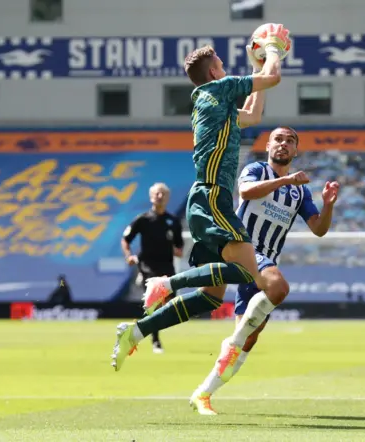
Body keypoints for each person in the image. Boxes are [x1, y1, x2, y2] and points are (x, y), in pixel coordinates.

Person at [111, 24, 292, 372]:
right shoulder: (220, 88)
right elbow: (274, 78)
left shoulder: (208, 104)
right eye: (222, 64)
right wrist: (272, 48)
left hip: (205, 197)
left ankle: (135, 331)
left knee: (211, 296)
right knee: (246, 270)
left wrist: (255, 70)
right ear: (213, 72)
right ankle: (168, 282)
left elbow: (253, 115)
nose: (226, 68)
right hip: (214, 197)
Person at [190, 126, 340, 415]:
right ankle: (230, 341)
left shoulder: (300, 191)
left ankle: (203, 393)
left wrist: (328, 206)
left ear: (296, 151)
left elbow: (318, 229)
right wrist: (284, 179)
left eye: (290, 141)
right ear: (269, 145)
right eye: (279, 139)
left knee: (248, 339)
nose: (284, 144)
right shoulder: (257, 169)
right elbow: (245, 191)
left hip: (266, 259)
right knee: (279, 288)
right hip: (244, 250)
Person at [121, 182, 184, 354]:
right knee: (154, 304)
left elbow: (179, 249)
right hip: (147, 267)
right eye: (157, 193)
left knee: (169, 303)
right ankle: (155, 340)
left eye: (163, 193)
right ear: (151, 197)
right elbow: (126, 239)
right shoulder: (143, 219)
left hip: (167, 267)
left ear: (168, 197)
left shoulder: (173, 221)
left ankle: (147, 329)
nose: (160, 196)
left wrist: (174, 249)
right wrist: (129, 256)